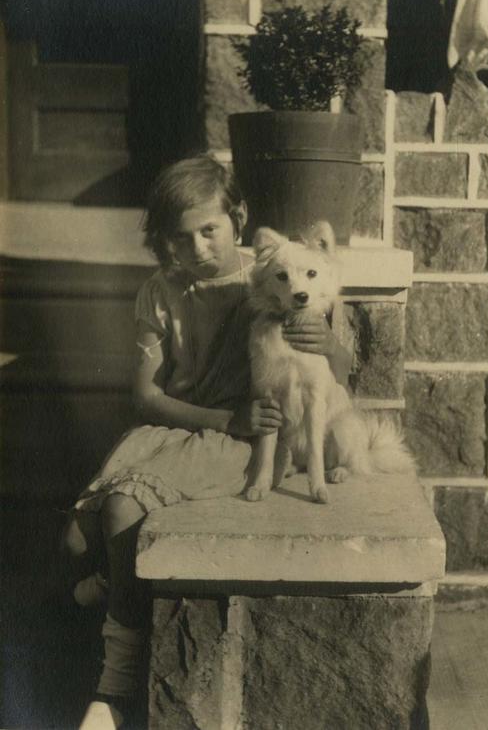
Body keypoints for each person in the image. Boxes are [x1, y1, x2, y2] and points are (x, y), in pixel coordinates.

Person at [61, 154, 351, 730]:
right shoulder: (161, 292)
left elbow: (336, 366)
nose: (197, 248)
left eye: (209, 230)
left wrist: (325, 341)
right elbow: (146, 396)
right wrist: (222, 420)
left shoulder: (273, 277)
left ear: (237, 219)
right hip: (186, 423)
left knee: (121, 508)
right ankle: (120, 577)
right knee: (73, 540)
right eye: (181, 236)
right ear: (164, 240)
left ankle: (114, 686)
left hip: (242, 437)